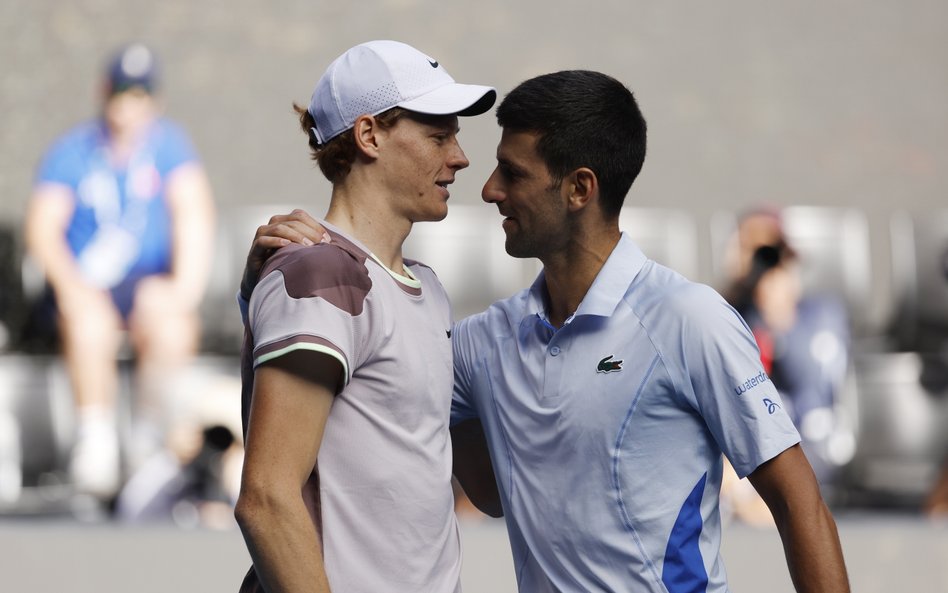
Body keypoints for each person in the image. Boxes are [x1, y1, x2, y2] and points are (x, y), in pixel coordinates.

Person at [243, 71, 849, 592]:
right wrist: (269, 290)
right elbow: (438, 464)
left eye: (512, 173)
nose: (488, 189)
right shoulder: (480, 344)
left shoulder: (691, 320)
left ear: (579, 188)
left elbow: (800, 507)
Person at [233, 40, 495, 593]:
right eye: (438, 135)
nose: (461, 156)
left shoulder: (426, 287)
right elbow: (266, 499)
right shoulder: (320, 274)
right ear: (369, 135)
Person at [24, 43, 216, 502]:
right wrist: (69, 287)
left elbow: (194, 215)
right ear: (103, 93)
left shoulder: (170, 147)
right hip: (85, 283)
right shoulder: (73, 151)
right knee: (89, 321)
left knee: (169, 320)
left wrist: (184, 290)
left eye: (141, 93)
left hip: (144, 282)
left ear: (156, 100)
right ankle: (97, 440)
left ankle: (148, 440)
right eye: (121, 92)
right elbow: (43, 227)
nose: (129, 105)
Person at [723, 208, 853, 494]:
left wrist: (781, 319)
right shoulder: (728, 315)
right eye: (748, 249)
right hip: (744, 456)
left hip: (807, 449)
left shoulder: (821, 316)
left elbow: (814, 393)